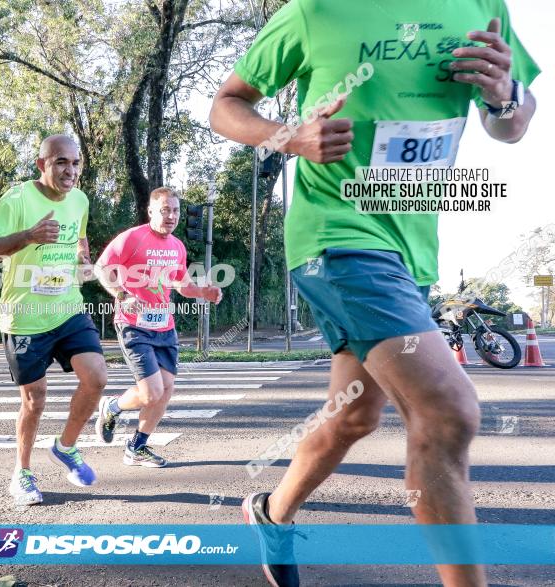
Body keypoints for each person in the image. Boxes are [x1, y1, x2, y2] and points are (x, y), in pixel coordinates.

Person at [209, 1, 538, 585]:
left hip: (411, 249)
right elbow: (225, 104)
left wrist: (504, 95)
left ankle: (270, 513)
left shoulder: (483, 5)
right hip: (337, 236)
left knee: (354, 414)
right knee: (446, 411)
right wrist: (290, 137)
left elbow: (511, 126)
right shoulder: (315, 10)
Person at [0, 134, 107, 506]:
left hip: (67, 308)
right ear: (42, 164)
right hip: (25, 317)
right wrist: (28, 237)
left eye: (76, 163)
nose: (71, 170)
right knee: (35, 400)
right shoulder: (17, 200)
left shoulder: (80, 200)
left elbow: (79, 239)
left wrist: (83, 260)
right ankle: (23, 472)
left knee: (97, 377)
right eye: (62, 162)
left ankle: (66, 447)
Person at [93, 187, 222, 467]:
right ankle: (111, 407)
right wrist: (122, 295)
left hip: (165, 326)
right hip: (133, 325)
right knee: (151, 392)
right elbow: (102, 267)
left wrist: (204, 292)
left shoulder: (177, 246)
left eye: (175, 210)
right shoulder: (132, 238)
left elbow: (183, 285)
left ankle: (136, 447)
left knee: (165, 390)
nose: (171, 216)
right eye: (165, 210)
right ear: (151, 211)